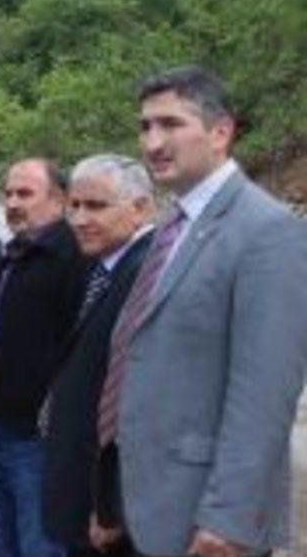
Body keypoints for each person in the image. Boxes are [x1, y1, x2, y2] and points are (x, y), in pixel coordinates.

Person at [111, 66, 307, 556]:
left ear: (221, 132)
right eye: (145, 126)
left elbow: (265, 394)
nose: (152, 142)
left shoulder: (267, 231)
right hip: (151, 501)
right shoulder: (172, 226)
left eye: (171, 124)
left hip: (208, 523)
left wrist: (229, 518)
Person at [0, 158, 87, 557]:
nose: (13, 203)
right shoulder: (12, 255)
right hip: (0, 428)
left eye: (25, 194)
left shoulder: (73, 257)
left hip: (40, 436)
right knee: (5, 541)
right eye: (8, 194)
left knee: (40, 544)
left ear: (60, 200)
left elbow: (81, 352)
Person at [41, 154, 156, 557]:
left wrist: (110, 506)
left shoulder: (146, 275)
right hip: (85, 490)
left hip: (108, 511)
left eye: (95, 206)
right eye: (73, 205)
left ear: (140, 208)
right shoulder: (106, 266)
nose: (78, 219)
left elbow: (137, 403)